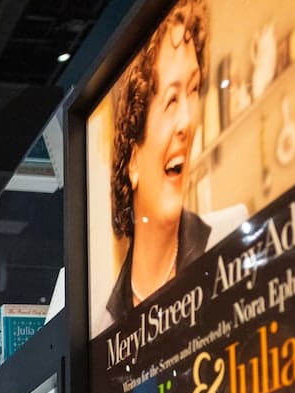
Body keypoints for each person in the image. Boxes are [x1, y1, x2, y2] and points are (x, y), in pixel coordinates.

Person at [101, 0, 211, 331]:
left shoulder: (228, 240)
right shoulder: (103, 323)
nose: (187, 122)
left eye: (193, 90)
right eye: (170, 100)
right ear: (132, 161)